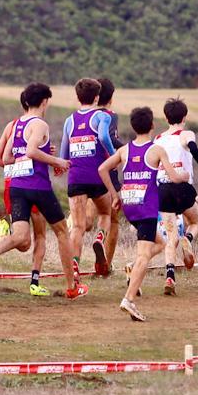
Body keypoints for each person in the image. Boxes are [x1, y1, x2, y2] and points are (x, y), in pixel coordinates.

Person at [0, 83, 87, 300]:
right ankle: (71, 287)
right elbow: (31, 151)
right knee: (62, 233)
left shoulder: (18, 124)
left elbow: (7, 158)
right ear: (45, 101)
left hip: (17, 188)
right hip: (38, 188)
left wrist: (36, 157)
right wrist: (56, 160)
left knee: (20, 235)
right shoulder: (40, 124)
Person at [99, 107, 189, 322]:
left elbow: (102, 169)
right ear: (152, 126)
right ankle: (129, 299)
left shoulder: (124, 151)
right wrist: (185, 175)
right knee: (143, 255)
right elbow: (175, 178)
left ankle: (133, 271)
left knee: (160, 243)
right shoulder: (156, 150)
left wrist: (115, 195)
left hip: (130, 206)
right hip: (146, 207)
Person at [0, 93, 48, 295]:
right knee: (38, 236)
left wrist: (15, 166)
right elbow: (2, 157)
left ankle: (3, 230)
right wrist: (26, 162)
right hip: (30, 184)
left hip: (11, 186)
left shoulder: (12, 125)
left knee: (24, 243)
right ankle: (34, 282)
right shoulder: (37, 126)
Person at [61, 78, 116, 277]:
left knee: (77, 225)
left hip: (76, 178)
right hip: (97, 176)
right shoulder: (102, 116)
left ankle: (75, 265)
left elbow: (64, 153)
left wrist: (61, 165)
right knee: (105, 213)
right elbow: (102, 137)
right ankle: (100, 238)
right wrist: (112, 155)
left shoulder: (70, 120)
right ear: (97, 97)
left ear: (78, 97)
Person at [155, 98, 198, 296]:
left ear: (166, 117)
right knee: (194, 222)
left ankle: (170, 275)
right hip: (183, 188)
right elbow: (193, 148)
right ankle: (187, 238)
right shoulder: (185, 134)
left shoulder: (158, 138)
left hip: (163, 189)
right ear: (184, 117)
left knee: (170, 237)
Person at [96, 77, 125, 270]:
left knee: (84, 221)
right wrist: (126, 150)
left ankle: (75, 261)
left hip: (85, 171)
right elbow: (111, 140)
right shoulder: (110, 115)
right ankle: (106, 264)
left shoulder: (83, 115)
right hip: (108, 172)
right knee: (113, 220)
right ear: (111, 97)